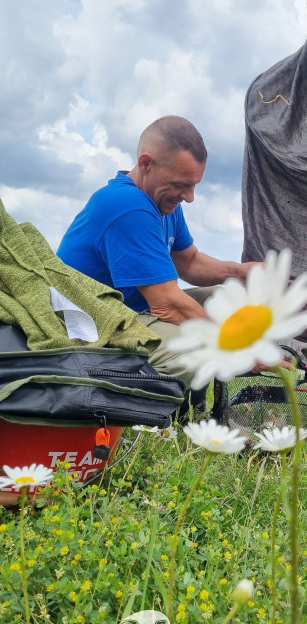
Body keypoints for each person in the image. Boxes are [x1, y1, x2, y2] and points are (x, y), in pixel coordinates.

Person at [57, 115, 264, 413]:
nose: (190, 197)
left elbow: (188, 261)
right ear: (145, 164)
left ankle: (193, 410)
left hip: (131, 311)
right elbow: (167, 303)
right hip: (95, 325)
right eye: (181, 185)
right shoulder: (126, 206)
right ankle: (142, 422)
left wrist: (238, 271)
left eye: (193, 185)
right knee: (197, 347)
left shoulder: (163, 202)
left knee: (225, 301)